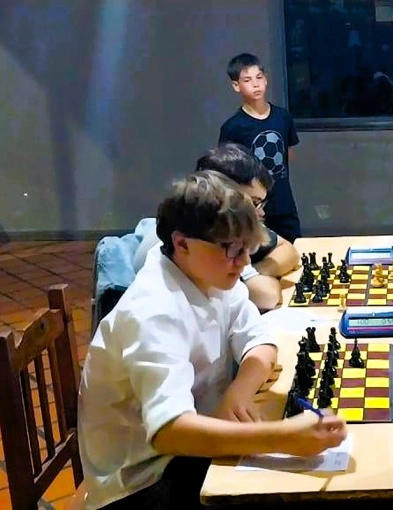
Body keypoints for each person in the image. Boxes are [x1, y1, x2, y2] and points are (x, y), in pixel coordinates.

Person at [78, 171, 346, 510]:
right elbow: (169, 431)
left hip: (188, 448)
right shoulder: (153, 310)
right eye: (232, 249)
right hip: (141, 483)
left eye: (248, 249)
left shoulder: (210, 274)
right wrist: (285, 437)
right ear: (182, 243)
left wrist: (238, 393)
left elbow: (260, 339)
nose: (244, 262)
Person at [133, 144, 300, 311]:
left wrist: (256, 270)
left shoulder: (224, 229)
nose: (261, 212)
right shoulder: (202, 235)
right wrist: (247, 275)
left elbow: (288, 250)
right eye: (254, 203)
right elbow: (266, 296)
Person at [219, 52, 302, 243]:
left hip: (283, 201)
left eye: (259, 77)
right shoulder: (233, 127)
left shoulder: (282, 117)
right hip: (253, 206)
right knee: (260, 250)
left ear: (265, 79)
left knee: (294, 248)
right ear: (236, 86)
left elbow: (289, 154)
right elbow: (227, 171)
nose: (255, 84)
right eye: (247, 80)